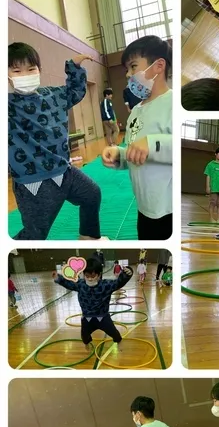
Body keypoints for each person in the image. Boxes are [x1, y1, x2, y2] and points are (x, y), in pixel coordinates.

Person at [8, 42, 105, 240]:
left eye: (31, 69)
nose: (25, 75)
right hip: (33, 182)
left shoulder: (53, 95)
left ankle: (88, 237)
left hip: (65, 172)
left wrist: (75, 67)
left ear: (39, 70)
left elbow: (75, 91)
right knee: (35, 233)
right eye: (17, 70)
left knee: (92, 194)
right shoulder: (8, 105)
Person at [101, 36, 173, 240]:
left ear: (159, 65)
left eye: (133, 67)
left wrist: (152, 143)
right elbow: (136, 151)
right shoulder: (135, 112)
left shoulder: (173, 104)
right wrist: (120, 156)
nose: (128, 75)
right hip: (144, 205)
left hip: (167, 208)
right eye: (127, 70)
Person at [52, 258, 133, 351]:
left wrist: (127, 273)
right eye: (87, 276)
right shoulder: (80, 284)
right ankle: (87, 344)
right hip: (87, 318)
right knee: (84, 337)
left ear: (99, 275)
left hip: (103, 317)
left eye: (93, 276)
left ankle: (119, 342)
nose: (90, 278)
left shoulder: (106, 285)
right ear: (84, 275)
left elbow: (118, 282)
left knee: (114, 332)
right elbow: (68, 283)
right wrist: (58, 278)